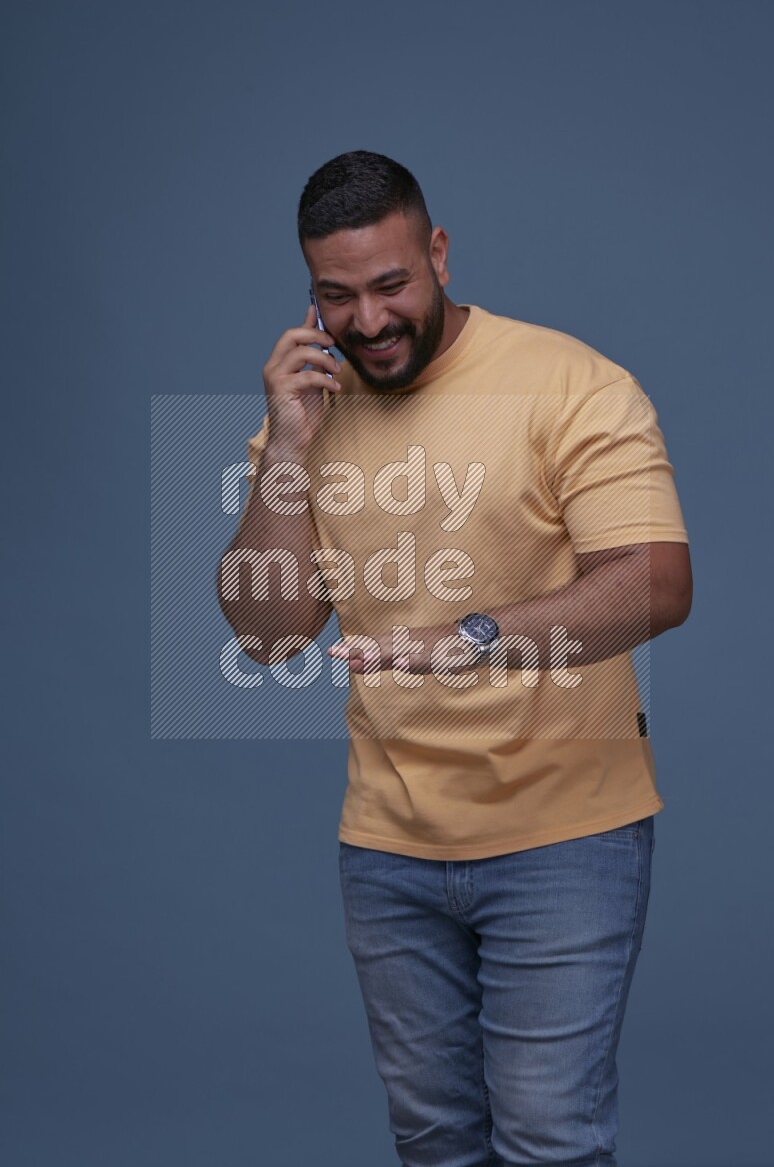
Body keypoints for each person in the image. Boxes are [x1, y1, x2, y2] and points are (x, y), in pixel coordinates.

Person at [217, 150, 692, 1167]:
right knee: (433, 1144)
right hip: (387, 845)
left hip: (565, 834)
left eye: (390, 284)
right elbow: (265, 632)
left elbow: (655, 582)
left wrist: (469, 638)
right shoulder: (308, 413)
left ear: (436, 253)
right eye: (335, 296)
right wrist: (286, 452)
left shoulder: (569, 382)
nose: (369, 319)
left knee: (547, 1141)